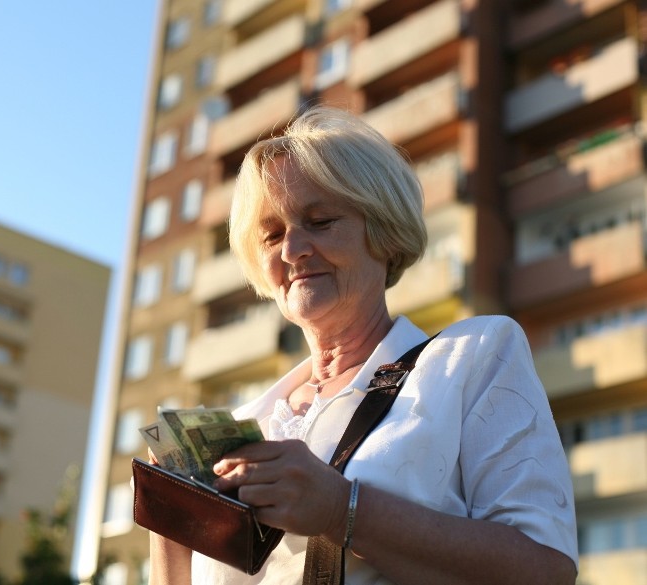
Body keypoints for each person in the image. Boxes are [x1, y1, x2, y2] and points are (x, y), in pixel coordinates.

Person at [149, 106, 578, 584]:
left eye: (320, 220)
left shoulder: (471, 358)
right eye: (272, 234)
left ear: (385, 233)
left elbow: (546, 570)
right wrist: (169, 520)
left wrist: (342, 510)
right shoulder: (250, 423)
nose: (292, 250)